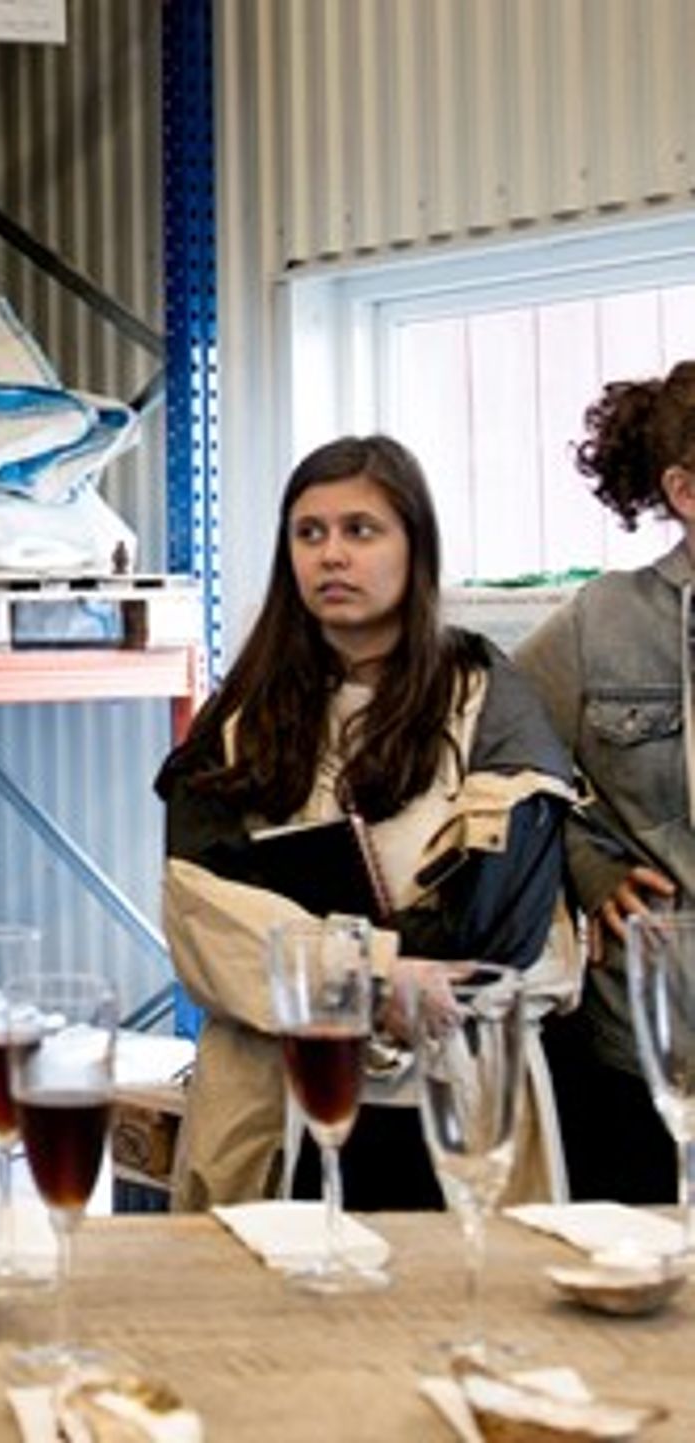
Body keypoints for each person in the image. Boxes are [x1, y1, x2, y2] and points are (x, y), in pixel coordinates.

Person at [155, 435, 577, 1212]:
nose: (331, 555)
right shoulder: (240, 717)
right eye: (309, 533)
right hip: (274, 1106)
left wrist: (320, 952)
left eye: (360, 530)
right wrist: (374, 974)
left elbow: (501, 921)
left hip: (449, 1100)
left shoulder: (490, 700)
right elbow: (198, 910)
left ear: (414, 544)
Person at [512, 361, 695, 1204]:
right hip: (651, 1050)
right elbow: (498, 754)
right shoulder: (603, 623)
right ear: (685, 491)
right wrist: (587, 869)